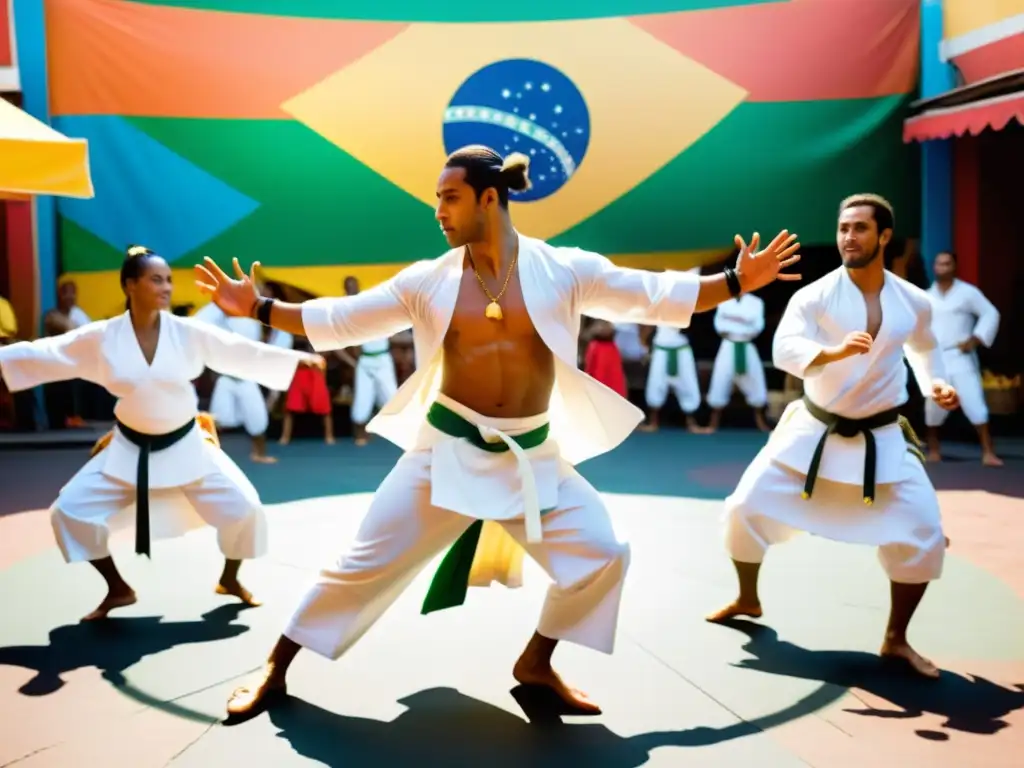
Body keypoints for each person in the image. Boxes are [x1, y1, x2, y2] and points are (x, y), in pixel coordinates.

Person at [194, 145, 800, 720]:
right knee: (359, 563)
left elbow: (654, 296)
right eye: (436, 199)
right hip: (444, 452)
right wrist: (260, 310)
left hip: (531, 457)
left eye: (449, 198)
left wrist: (738, 282)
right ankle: (275, 668)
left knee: (603, 555)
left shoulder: (564, 269)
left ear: (489, 199)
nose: (438, 212)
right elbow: (342, 319)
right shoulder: (426, 280)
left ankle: (536, 663)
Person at [0, 246, 324, 622]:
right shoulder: (102, 337)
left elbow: (236, 350)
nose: (166, 287)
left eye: (169, 279)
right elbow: (48, 352)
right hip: (128, 450)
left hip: (186, 445)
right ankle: (117, 588)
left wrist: (296, 360)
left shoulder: (186, 332)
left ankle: (230, 578)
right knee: (68, 512)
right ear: (129, 285)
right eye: (156, 279)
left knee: (246, 510)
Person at [707, 194, 959, 679]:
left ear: (884, 236)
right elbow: (785, 348)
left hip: (882, 438)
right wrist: (832, 351)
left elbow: (926, 350)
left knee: (925, 535)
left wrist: (936, 385)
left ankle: (895, 639)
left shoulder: (913, 301)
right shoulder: (816, 294)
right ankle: (747, 596)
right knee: (743, 510)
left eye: (860, 228)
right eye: (844, 228)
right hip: (813, 431)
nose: (849, 237)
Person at [193, 283, 296, 463]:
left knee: (258, 419)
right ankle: (210, 457)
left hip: (247, 378)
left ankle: (259, 454)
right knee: (218, 419)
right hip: (226, 378)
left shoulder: (255, 314)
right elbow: (200, 322)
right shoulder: (221, 314)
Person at [924, 251, 1002, 466]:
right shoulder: (926, 296)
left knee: (974, 402)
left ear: (954, 267)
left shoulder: (968, 293)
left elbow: (991, 313)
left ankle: (988, 452)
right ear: (934, 268)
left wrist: (976, 339)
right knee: (933, 406)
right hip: (937, 358)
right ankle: (934, 450)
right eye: (939, 264)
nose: (942, 267)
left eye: (947, 264)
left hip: (960, 355)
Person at [341, 276, 399, 446]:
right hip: (365, 361)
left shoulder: (370, 304)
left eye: (354, 286)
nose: (352, 289)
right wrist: (352, 361)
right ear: (345, 290)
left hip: (382, 358)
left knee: (392, 396)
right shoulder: (344, 311)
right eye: (349, 287)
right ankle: (359, 434)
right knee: (362, 397)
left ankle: (398, 434)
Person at [703, 291, 770, 433]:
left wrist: (736, 326)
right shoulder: (724, 300)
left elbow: (757, 327)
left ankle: (760, 420)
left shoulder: (756, 302)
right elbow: (720, 326)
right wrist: (742, 325)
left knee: (756, 380)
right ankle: (713, 422)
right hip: (728, 345)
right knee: (720, 379)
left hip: (747, 345)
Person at [582, 319, 627, 398]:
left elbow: (618, 375)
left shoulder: (613, 347)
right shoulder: (594, 347)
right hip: (597, 390)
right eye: (602, 324)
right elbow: (590, 369)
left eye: (607, 324)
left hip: (614, 393)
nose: (604, 327)